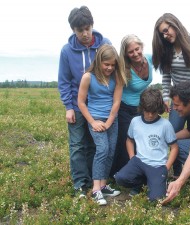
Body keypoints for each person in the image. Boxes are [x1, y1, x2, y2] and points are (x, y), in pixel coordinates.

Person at [58, 6, 111, 198]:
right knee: (77, 144)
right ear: (73, 30)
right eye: (80, 30)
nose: (85, 34)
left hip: (99, 105)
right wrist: (68, 107)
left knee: (95, 144)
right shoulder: (66, 51)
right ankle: (80, 183)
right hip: (76, 104)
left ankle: (94, 180)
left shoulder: (105, 44)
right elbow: (64, 81)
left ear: (92, 25)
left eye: (87, 28)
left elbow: (113, 72)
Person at [152, 13, 190, 178]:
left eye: (166, 30)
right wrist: (166, 97)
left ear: (175, 24)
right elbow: (166, 78)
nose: (165, 35)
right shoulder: (166, 51)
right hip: (177, 102)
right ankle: (177, 172)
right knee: (173, 136)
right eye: (162, 34)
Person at [78, 44, 127, 205]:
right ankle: (96, 189)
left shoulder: (117, 77)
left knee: (111, 151)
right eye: (107, 64)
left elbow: (116, 102)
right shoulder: (88, 77)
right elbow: (81, 102)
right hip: (95, 119)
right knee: (102, 149)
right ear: (99, 62)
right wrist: (93, 122)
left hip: (111, 120)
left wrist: (109, 122)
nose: (110, 68)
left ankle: (104, 184)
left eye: (113, 65)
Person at [114, 88, 178, 201]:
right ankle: (141, 183)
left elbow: (174, 148)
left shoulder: (165, 125)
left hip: (158, 166)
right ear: (142, 108)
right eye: (147, 111)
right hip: (139, 161)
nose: (149, 115)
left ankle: (156, 182)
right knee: (120, 178)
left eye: (153, 111)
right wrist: (132, 158)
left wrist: (166, 167)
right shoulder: (135, 121)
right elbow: (129, 140)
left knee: (156, 198)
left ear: (159, 109)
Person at [110, 34, 153, 179]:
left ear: (141, 46)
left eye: (137, 49)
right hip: (125, 108)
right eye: (130, 52)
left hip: (141, 108)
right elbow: (117, 91)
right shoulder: (124, 68)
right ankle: (119, 174)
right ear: (126, 54)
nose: (135, 53)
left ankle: (140, 171)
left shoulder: (150, 59)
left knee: (141, 140)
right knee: (125, 141)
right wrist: (113, 114)